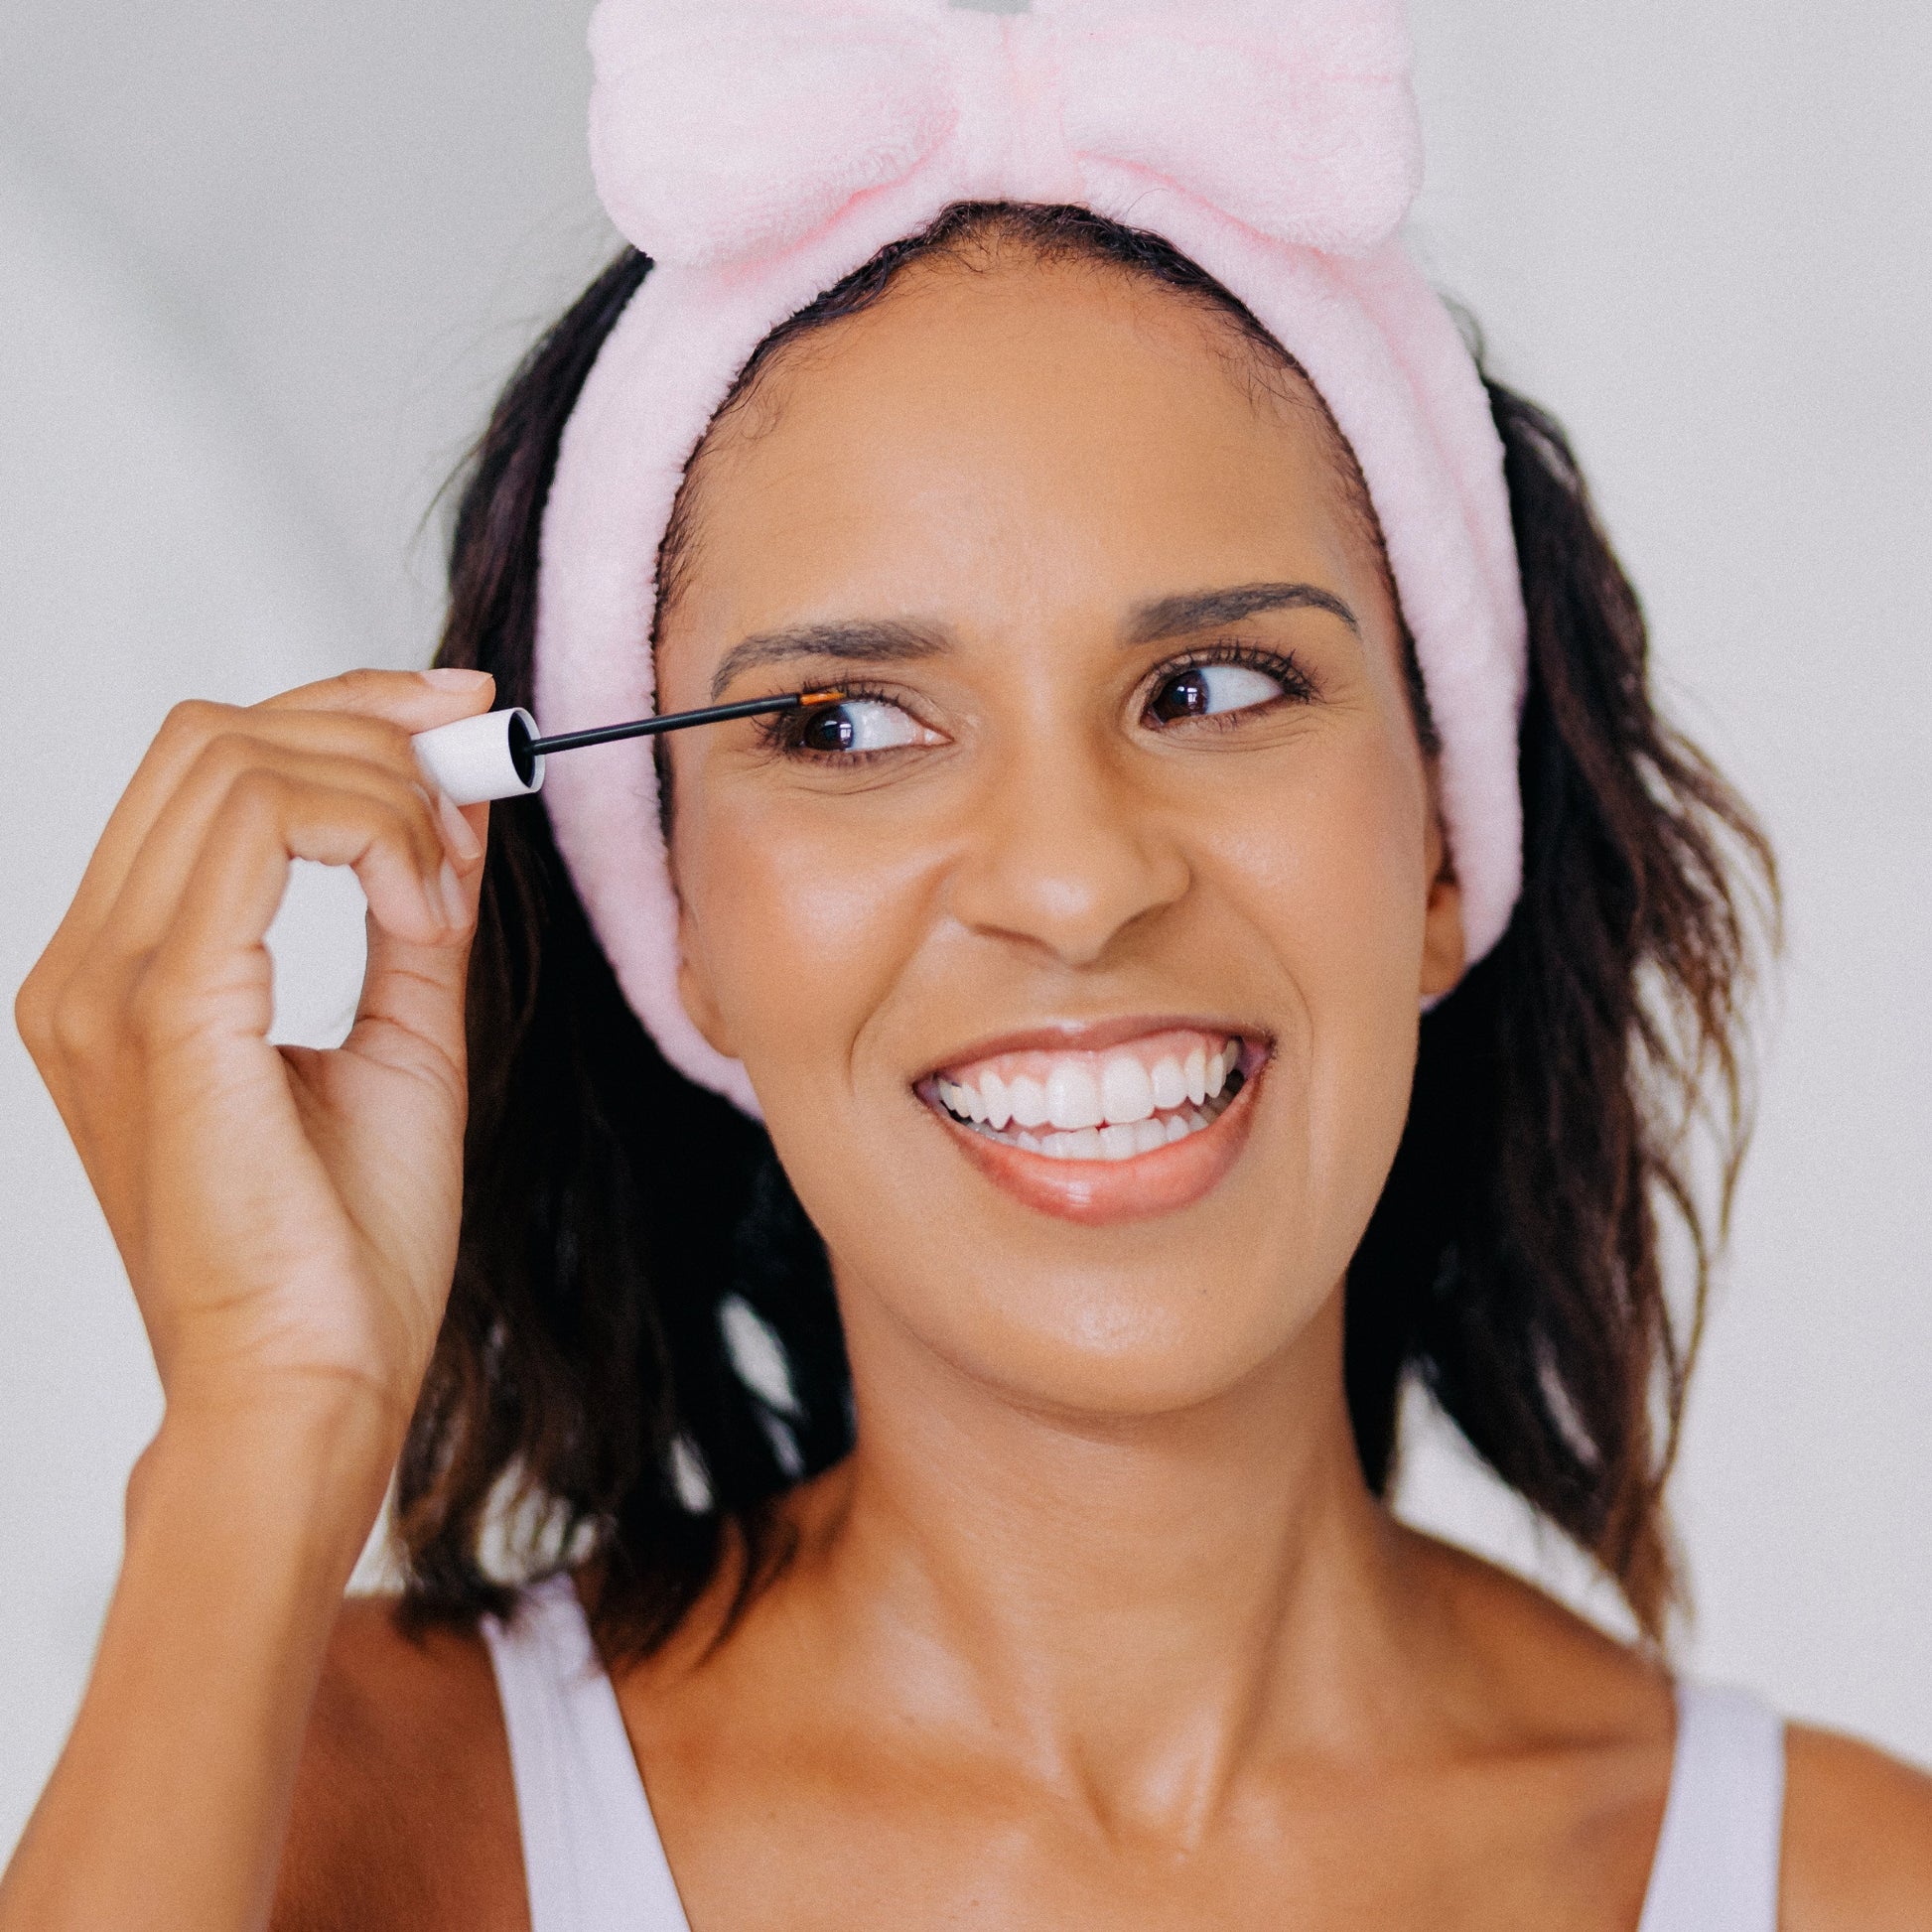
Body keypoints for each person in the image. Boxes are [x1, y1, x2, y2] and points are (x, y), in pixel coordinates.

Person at [6, 3, 1931, 1927]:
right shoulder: (333, 1803)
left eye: (1214, 685)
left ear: (1443, 838)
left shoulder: (1842, 1881)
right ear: (669, 922)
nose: (1076, 880)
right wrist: (263, 1428)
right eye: (844, 724)